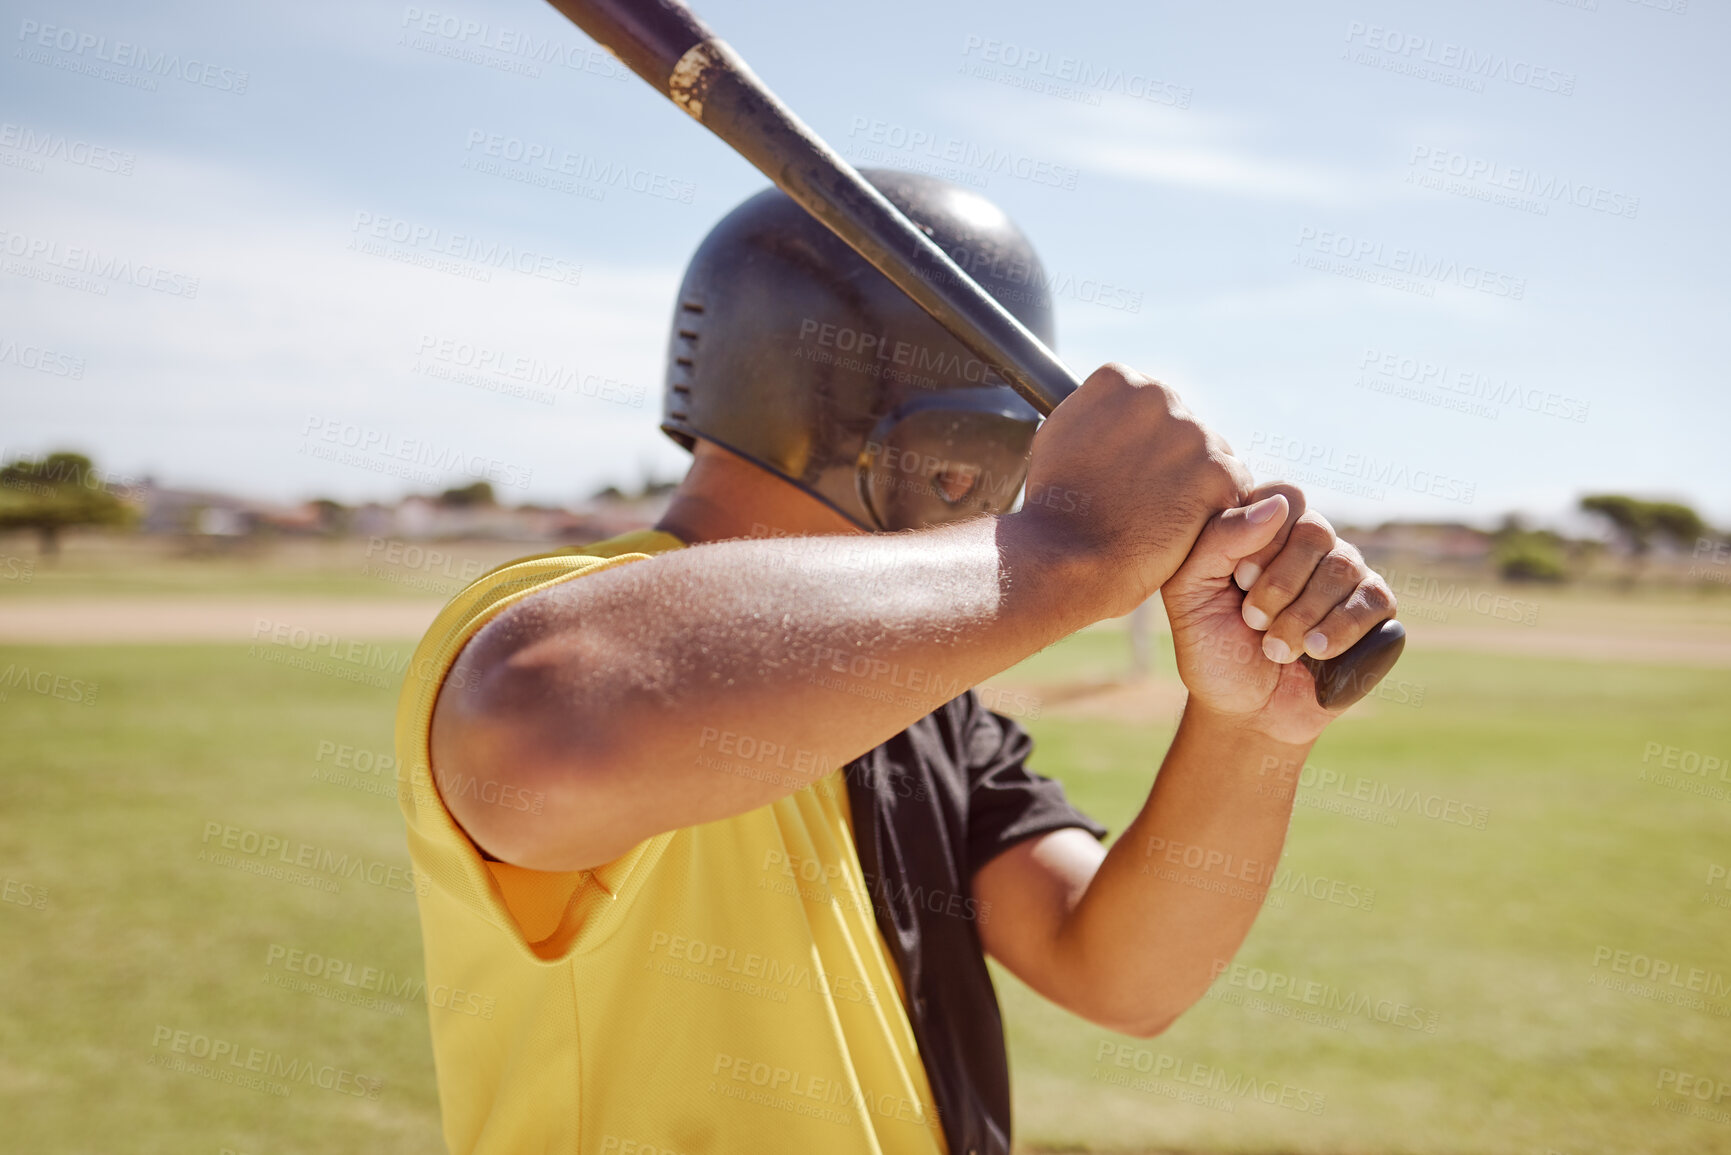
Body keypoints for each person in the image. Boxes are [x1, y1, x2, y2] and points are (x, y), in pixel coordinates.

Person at [393, 170, 1397, 1155]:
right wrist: (1063, 549)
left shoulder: (918, 696)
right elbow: (555, 735)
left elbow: (1120, 976)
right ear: (953, 452)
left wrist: (1251, 726)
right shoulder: (555, 617)